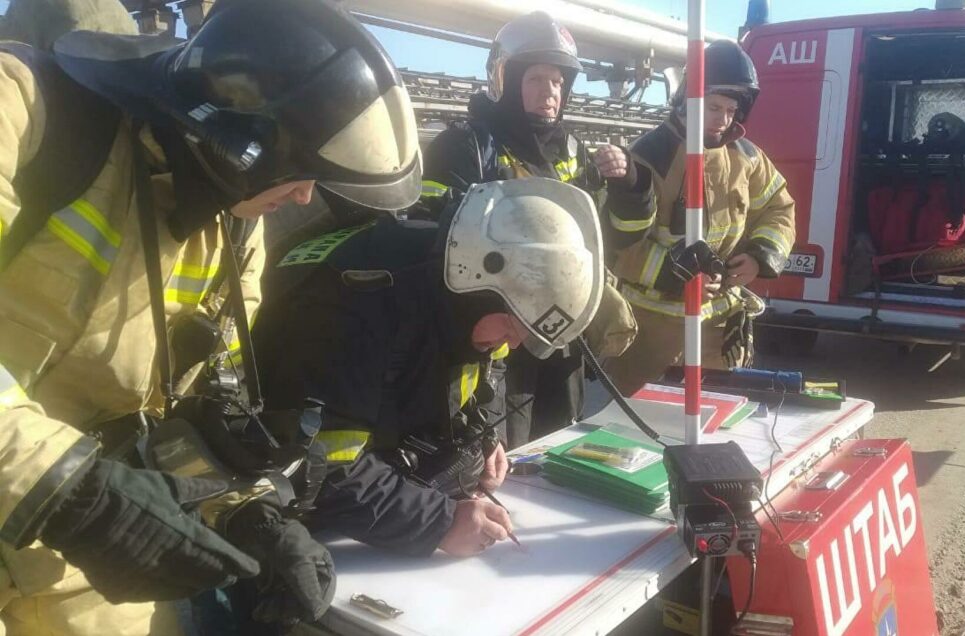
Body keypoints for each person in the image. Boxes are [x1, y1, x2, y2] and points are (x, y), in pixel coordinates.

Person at [0, 0, 421, 633]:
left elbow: (190, 414)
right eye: (302, 172)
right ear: (233, 138)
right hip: (58, 502)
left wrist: (248, 513)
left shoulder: (237, 228)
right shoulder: (24, 109)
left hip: (74, 556)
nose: (305, 198)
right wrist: (64, 490)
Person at [252, 178, 604, 558]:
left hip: (383, 497)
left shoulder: (469, 304)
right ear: (475, 291)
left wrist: (489, 435)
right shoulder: (350, 310)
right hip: (299, 523)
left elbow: (489, 371)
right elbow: (320, 469)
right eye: (512, 327)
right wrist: (441, 523)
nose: (512, 344)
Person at [413, 11, 635, 446]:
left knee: (558, 442)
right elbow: (432, 239)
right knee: (500, 451)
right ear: (504, 79)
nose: (548, 92)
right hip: (501, 339)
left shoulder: (573, 150)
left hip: (563, 335)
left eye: (557, 82)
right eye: (535, 79)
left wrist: (630, 187)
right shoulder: (464, 146)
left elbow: (610, 239)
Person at [600, 40, 797, 396]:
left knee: (715, 426)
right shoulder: (649, 157)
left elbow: (779, 208)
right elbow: (618, 246)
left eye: (731, 110)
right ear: (688, 101)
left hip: (719, 333)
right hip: (652, 333)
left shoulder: (747, 157)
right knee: (642, 433)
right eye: (714, 107)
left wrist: (759, 257)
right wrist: (675, 274)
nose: (723, 120)